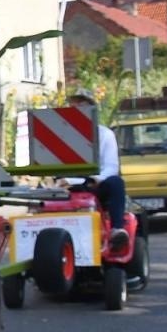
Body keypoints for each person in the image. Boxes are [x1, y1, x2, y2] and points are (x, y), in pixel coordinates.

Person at [68, 90, 129, 251]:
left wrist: (97, 179)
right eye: (74, 106)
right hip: (67, 185)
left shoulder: (105, 135)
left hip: (94, 184)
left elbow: (111, 166)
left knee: (116, 183)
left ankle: (116, 229)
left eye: (82, 105)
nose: (78, 109)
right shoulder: (61, 135)